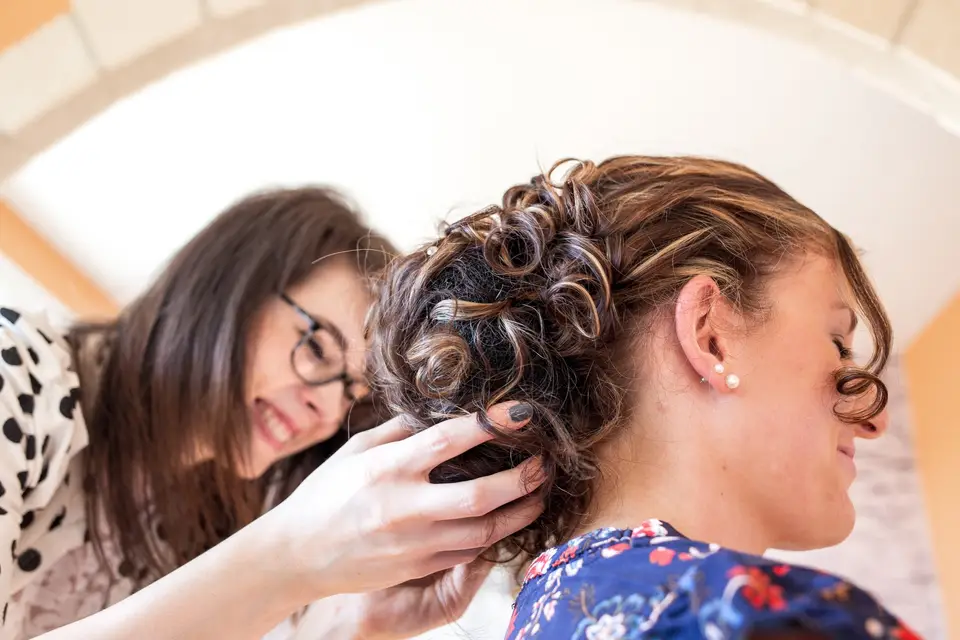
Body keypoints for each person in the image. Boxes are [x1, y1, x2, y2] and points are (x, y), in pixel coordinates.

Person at [365, 156, 921, 638]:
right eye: (836, 343)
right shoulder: (751, 616)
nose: (875, 420)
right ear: (711, 335)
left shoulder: (547, 618)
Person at [0, 187, 544, 640]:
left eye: (351, 393)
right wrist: (290, 559)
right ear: (225, 286)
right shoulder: (20, 372)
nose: (326, 408)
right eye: (316, 349)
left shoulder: (199, 529)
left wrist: (345, 632)